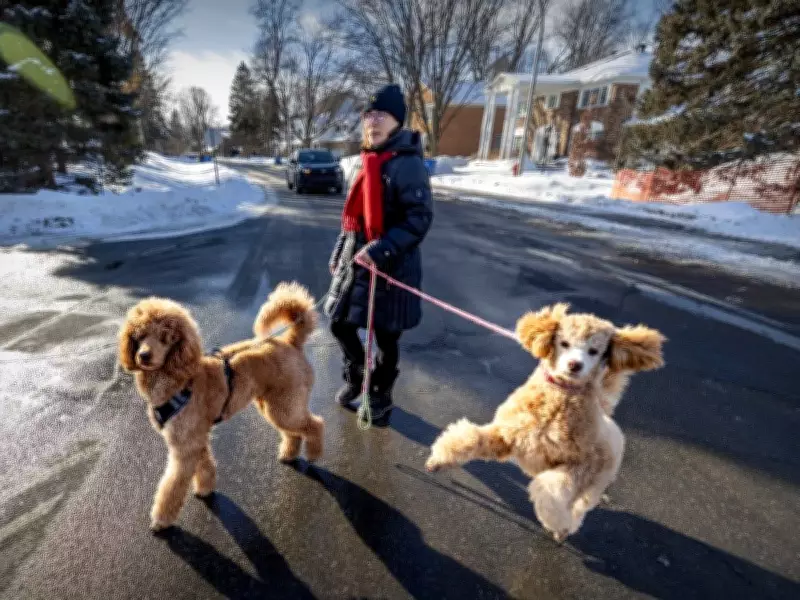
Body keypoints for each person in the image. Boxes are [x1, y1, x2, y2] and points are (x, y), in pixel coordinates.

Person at [324, 84, 434, 423]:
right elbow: (352, 222)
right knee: (339, 324)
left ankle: (380, 393)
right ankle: (358, 374)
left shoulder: (408, 164)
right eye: (368, 115)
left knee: (386, 338)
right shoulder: (364, 162)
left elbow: (418, 219)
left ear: (397, 121)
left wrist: (383, 249)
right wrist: (340, 251)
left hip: (392, 268)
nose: (373, 121)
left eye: (381, 115)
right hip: (356, 263)